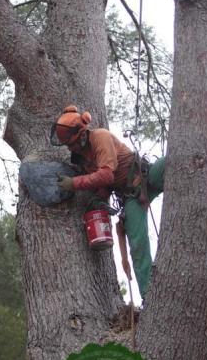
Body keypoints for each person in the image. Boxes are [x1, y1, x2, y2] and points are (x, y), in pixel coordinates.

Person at [50, 105, 165, 300]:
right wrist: (98, 199)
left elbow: (105, 174)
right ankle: (150, 297)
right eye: (68, 145)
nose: (71, 148)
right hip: (131, 197)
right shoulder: (83, 158)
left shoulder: (100, 137)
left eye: (72, 144)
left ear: (82, 134)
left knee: (173, 162)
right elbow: (107, 185)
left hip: (146, 176)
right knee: (137, 244)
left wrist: (74, 183)